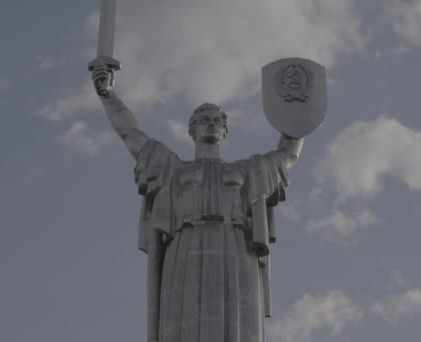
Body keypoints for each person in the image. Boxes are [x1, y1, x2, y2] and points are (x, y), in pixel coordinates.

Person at [91, 59, 303, 342]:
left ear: (225, 131)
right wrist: (108, 95)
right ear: (192, 131)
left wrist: (298, 111)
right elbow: (130, 133)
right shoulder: (172, 170)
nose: (212, 125)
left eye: (218, 121)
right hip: (186, 247)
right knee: (184, 323)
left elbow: (288, 153)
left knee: (238, 324)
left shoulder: (245, 171)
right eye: (204, 120)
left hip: (235, 246)